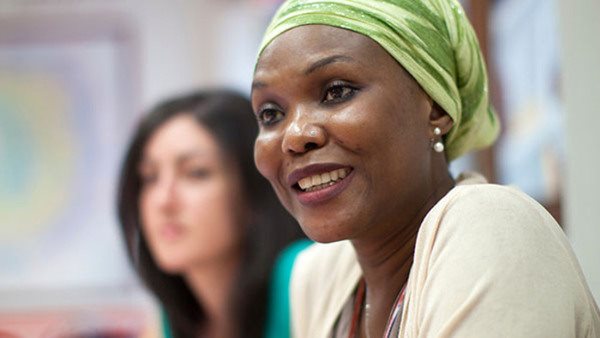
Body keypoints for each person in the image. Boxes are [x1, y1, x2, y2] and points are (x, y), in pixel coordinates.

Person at [250, 1, 600, 337]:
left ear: (435, 106)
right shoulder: (318, 276)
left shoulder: (490, 224)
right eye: (271, 114)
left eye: (337, 91)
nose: (294, 136)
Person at [117, 89, 309, 338]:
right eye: (150, 177)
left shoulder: (304, 273)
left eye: (195, 173)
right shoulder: (170, 319)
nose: (163, 201)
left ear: (254, 188)